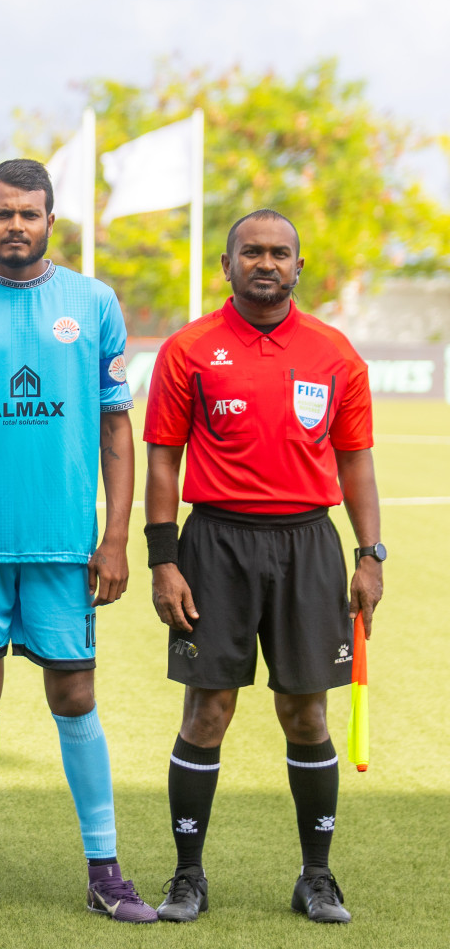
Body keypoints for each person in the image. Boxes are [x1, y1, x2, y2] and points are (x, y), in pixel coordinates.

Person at [0, 158, 157, 923]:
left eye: (29, 213)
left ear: (52, 219)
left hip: (63, 546)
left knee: (75, 693)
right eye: (2, 213)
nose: (15, 225)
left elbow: (116, 427)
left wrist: (115, 539)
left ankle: (106, 871)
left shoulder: (93, 302)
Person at [142, 209, 383, 925]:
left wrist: (370, 554)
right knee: (208, 710)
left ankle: (317, 877)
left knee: (305, 712)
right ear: (228, 265)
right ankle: (188, 877)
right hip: (215, 544)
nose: (266, 263)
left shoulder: (335, 354)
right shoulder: (189, 349)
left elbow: (356, 461)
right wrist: (163, 560)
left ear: (298, 267)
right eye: (252, 252)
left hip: (308, 545)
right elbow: (163, 459)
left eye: (280, 253)